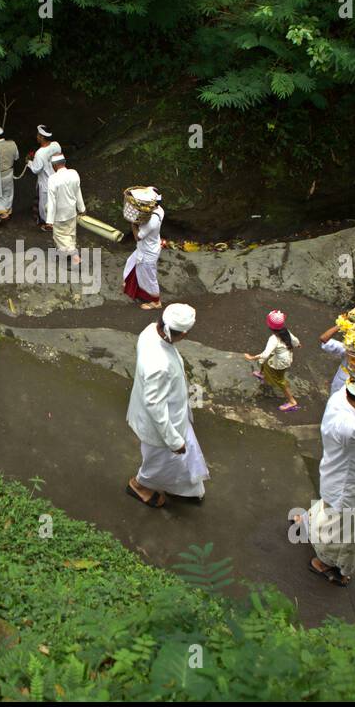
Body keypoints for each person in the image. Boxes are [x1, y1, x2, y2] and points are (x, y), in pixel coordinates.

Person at [297, 353, 355, 586]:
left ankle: (307, 523)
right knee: (344, 532)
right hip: (349, 488)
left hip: (337, 477)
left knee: (327, 510)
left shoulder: (341, 397)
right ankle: (327, 562)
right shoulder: (346, 425)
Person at [125, 303, 209, 508]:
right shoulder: (159, 365)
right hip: (162, 427)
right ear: (184, 334)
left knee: (178, 460)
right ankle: (138, 485)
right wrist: (173, 440)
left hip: (173, 416)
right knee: (158, 462)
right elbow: (155, 405)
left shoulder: (149, 331)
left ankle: (184, 489)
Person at [244, 308, 301, 411]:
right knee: (267, 362)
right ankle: (262, 373)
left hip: (280, 362)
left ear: (270, 326)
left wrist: (251, 357)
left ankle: (292, 402)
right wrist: (298, 345)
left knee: (280, 381)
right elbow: (295, 341)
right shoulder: (286, 331)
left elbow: (265, 355)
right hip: (285, 357)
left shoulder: (273, 339)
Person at [122, 189, 164, 309]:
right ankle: (131, 287)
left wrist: (133, 223)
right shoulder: (159, 209)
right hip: (149, 247)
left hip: (148, 252)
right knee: (131, 263)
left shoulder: (153, 221)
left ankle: (156, 302)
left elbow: (138, 237)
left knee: (149, 277)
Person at [44, 152, 85, 264]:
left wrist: (49, 221)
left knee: (61, 237)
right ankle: (68, 255)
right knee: (70, 234)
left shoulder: (53, 179)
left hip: (59, 214)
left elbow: (52, 201)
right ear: (64, 163)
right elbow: (78, 192)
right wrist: (82, 209)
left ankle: (75, 258)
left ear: (54, 165)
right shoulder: (74, 173)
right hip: (71, 212)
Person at [27, 125, 61, 230]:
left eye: (38, 135)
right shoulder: (56, 145)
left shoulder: (40, 153)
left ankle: (47, 224)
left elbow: (36, 169)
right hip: (57, 177)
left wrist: (29, 162)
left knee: (44, 204)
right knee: (57, 199)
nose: (37, 137)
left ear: (42, 137)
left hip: (45, 182)